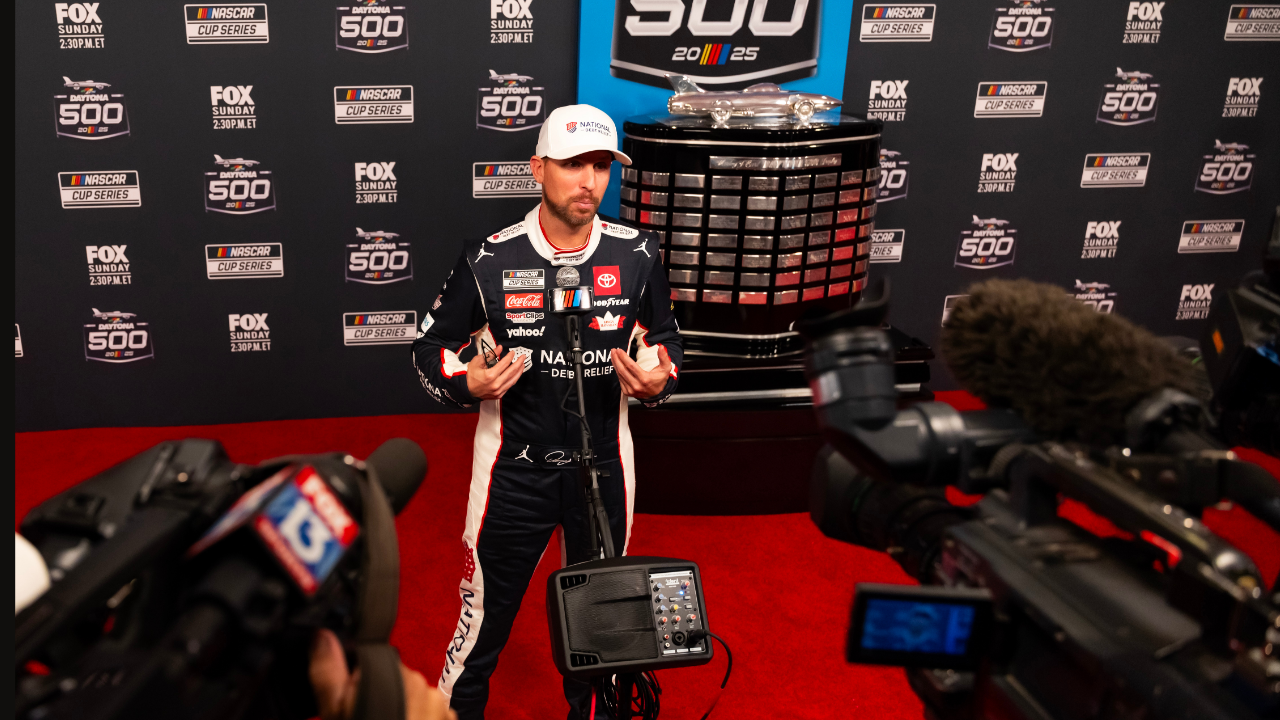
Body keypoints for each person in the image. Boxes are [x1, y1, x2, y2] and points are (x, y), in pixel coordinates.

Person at [411, 104, 683, 719]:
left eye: (601, 165)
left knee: (604, 631)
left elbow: (667, 340)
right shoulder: (489, 259)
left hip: (605, 468)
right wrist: (466, 381)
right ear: (538, 169)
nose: (589, 180)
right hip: (514, 472)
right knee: (482, 625)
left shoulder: (638, 252)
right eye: (572, 164)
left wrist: (658, 379)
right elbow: (428, 351)